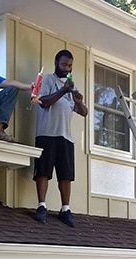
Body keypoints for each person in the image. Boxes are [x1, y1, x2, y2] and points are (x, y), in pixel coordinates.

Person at [33, 49, 88, 227]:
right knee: (43, 171)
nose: (67, 68)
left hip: (66, 136)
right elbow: (44, 102)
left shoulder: (71, 85)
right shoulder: (47, 80)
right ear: (56, 62)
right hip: (46, 133)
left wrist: (79, 102)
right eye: (64, 64)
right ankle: (42, 206)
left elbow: (84, 113)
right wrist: (64, 90)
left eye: (70, 65)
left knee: (66, 174)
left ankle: (65, 209)